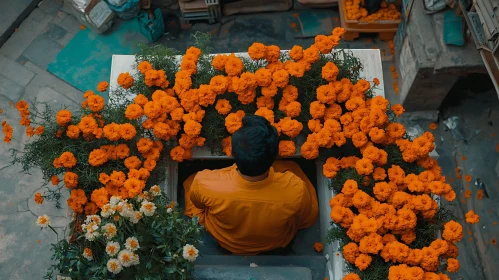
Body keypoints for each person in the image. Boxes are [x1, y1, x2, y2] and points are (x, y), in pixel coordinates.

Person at [183, 115, 319, 255]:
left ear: (233, 154)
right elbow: (307, 216)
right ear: (274, 156)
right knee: (294, 171)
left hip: (226, 239)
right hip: (274, 241)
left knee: (191, 184)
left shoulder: (206, 182)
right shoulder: (295, 188)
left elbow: (199, 205)